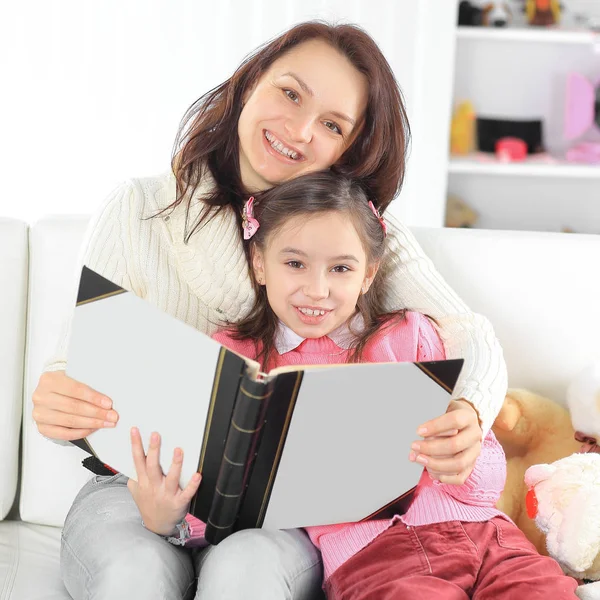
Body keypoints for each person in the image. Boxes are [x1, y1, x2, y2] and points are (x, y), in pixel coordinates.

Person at [30, 21, 508, 600]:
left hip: (278, 510)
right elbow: (72, 370)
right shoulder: (137, 208)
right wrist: (62, 402)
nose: (299, 130)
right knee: (136, 573)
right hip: (135, 488)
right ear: (250, 82)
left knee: (248, 572)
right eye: (290, 93)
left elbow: (467, 333)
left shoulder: (353, 235)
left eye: (332, 125)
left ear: (348, 149)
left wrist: (470, 411)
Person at [205, 171, 579, 598]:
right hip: (374, 557)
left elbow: (487, 479)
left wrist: (459, 456)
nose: (317, 288)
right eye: (294, 264)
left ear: (368, 274)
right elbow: (216, 498)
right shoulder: (238, 356)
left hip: (488, 535)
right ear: (259, 263)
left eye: (341, 268)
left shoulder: (409, 333)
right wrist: (172, 518)